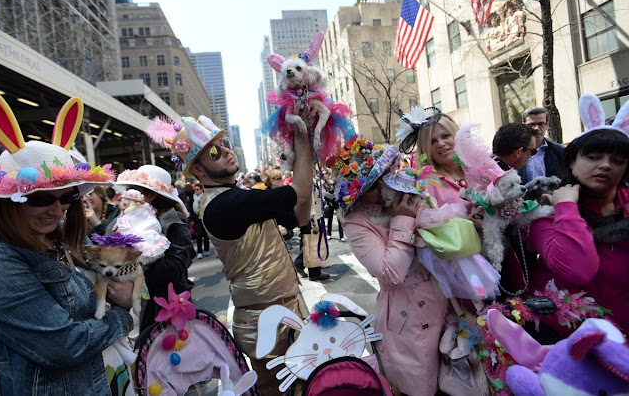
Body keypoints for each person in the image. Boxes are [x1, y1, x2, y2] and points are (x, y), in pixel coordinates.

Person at [146, 110, 313, 395]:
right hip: (267, 322)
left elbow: (299, 215)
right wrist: (302, 136)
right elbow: (299, 192)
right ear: (197, 170)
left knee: (307, 385)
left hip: (288, 309)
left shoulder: (236, 198)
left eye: (222, 145)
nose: (225, 151)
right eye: (214, 152)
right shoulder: (227, 204)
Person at [0, 90, 133, 395]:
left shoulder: (58, 239)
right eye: (41, 198)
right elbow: (66, 344)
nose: (57, 209)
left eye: (67, 196)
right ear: (8, 201)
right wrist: (122, 314)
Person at [337, 135, 447, 395]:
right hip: (407, 318)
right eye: (373, 185)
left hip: (443, 300)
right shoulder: (356, 222)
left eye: (385, 174)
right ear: (360, 194)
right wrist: (402, 220)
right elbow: (391, 272)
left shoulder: (405, 194)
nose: (384, 185)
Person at [529, 95, 629, 333]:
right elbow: (578, 269)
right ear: (572, 162)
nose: (605, 165)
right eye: (593, 157)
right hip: (570, 346)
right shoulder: (546, 214)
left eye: (617, 160)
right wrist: (566, 208)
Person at [112, 164, 196, 332]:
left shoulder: (173, 221)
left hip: (165, 309)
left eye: (138, 191)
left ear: (152, 195)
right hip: (130, 307)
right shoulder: (124, 219)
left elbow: (174, 269)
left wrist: (135, 253)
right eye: (129, 190)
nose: (130, 197)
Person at [410, 110, 473, 215]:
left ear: (456, 136)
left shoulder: (478, 166)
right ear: (426, 149)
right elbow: (426, 224)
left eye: (445, 136)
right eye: (432, 142)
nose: (441, 144)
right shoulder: (425, 184)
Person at [519, 106, 566, 184]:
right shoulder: (516, 152)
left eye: (541, 124)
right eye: (532, 124)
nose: (536, 128)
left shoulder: (559, 151)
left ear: (547, 125)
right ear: (523, 126)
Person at [191, 182, 211, 258]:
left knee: (206, 235)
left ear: (202, 189)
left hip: (205, 218)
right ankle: (199, 252)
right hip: (197, 219)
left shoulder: (205, 197)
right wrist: (192, 218)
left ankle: (206, 250)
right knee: (198, 235)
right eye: (194, 189)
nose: (196, 191)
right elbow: (190, 209)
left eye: (197, 189)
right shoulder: (192, 198)